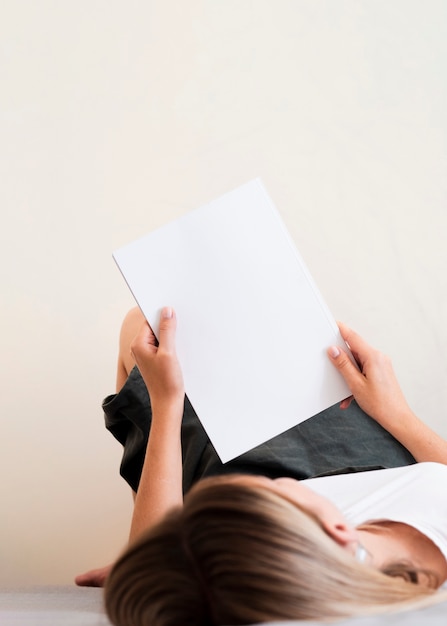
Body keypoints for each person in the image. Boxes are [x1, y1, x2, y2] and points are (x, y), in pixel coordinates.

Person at [79, 307, 447, 623]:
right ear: (338, 528)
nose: (273, 483)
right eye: (272, 490)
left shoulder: (304, 565)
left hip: (276, 488)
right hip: (375, 461)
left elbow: (153, 581)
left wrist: (167, 405)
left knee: (143, 325)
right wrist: (396, 414)